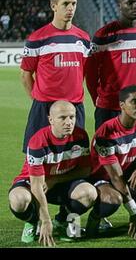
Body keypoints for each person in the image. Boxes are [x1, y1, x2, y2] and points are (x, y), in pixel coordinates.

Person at [8, 101, 96, 246]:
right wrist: (45, 220)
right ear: (51, 120)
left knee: (89, 193)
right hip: (35, 183)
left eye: (72, 117)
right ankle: (32, 222)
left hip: (61, 182)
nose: (69, 122)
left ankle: (63, 220)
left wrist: (55, 180)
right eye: (62, 118)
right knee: (18, 199)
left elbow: (85, 170)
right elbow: (37, 185)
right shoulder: (38, 141)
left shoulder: (81, 136)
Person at [86, 85, 136, 239]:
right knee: (113, 200)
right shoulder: (107, 132)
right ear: (122, 105)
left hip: (123, 175)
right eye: (135, 102)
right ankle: (95, 218)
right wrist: (133, 212)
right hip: (102, 179)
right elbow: (115, 177)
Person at [21, 0, 91, 153]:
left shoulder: (84, 39)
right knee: (37, 155)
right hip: (44, 108)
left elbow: (83, 72)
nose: (70, 8)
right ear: (53, 6)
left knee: (75, 157)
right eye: (65, 3)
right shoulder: (38, 38)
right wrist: (38, 100)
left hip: (74, 106)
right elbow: (25, 75)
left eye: (73, 3)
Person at [86, 0, 136, 130]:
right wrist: (99, 101)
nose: (135, 6)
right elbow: (91, 74)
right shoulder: (103, 36)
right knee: (106, 151)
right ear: (119, 6)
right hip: (110, 107)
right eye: (130, 3)